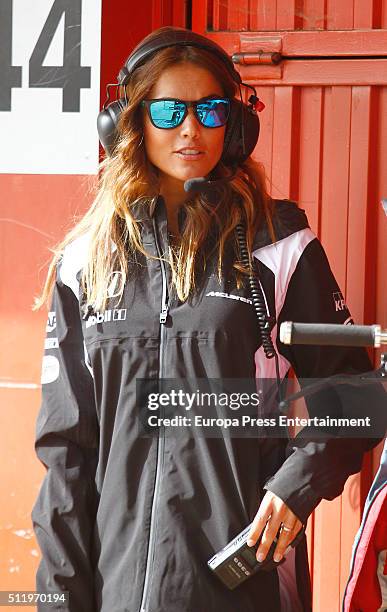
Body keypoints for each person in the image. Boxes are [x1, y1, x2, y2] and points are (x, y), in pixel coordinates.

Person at [31, 26, 384, 612]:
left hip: (241, 583)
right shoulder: (85, 261)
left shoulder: (279, 245)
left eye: (211, 110)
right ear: (131, 122)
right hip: (112, 586)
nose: (190, 129)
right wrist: (58, 599)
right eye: (168, 110)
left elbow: (358, 394)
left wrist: (296, 488)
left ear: (236, 125)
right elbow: (66, 454)